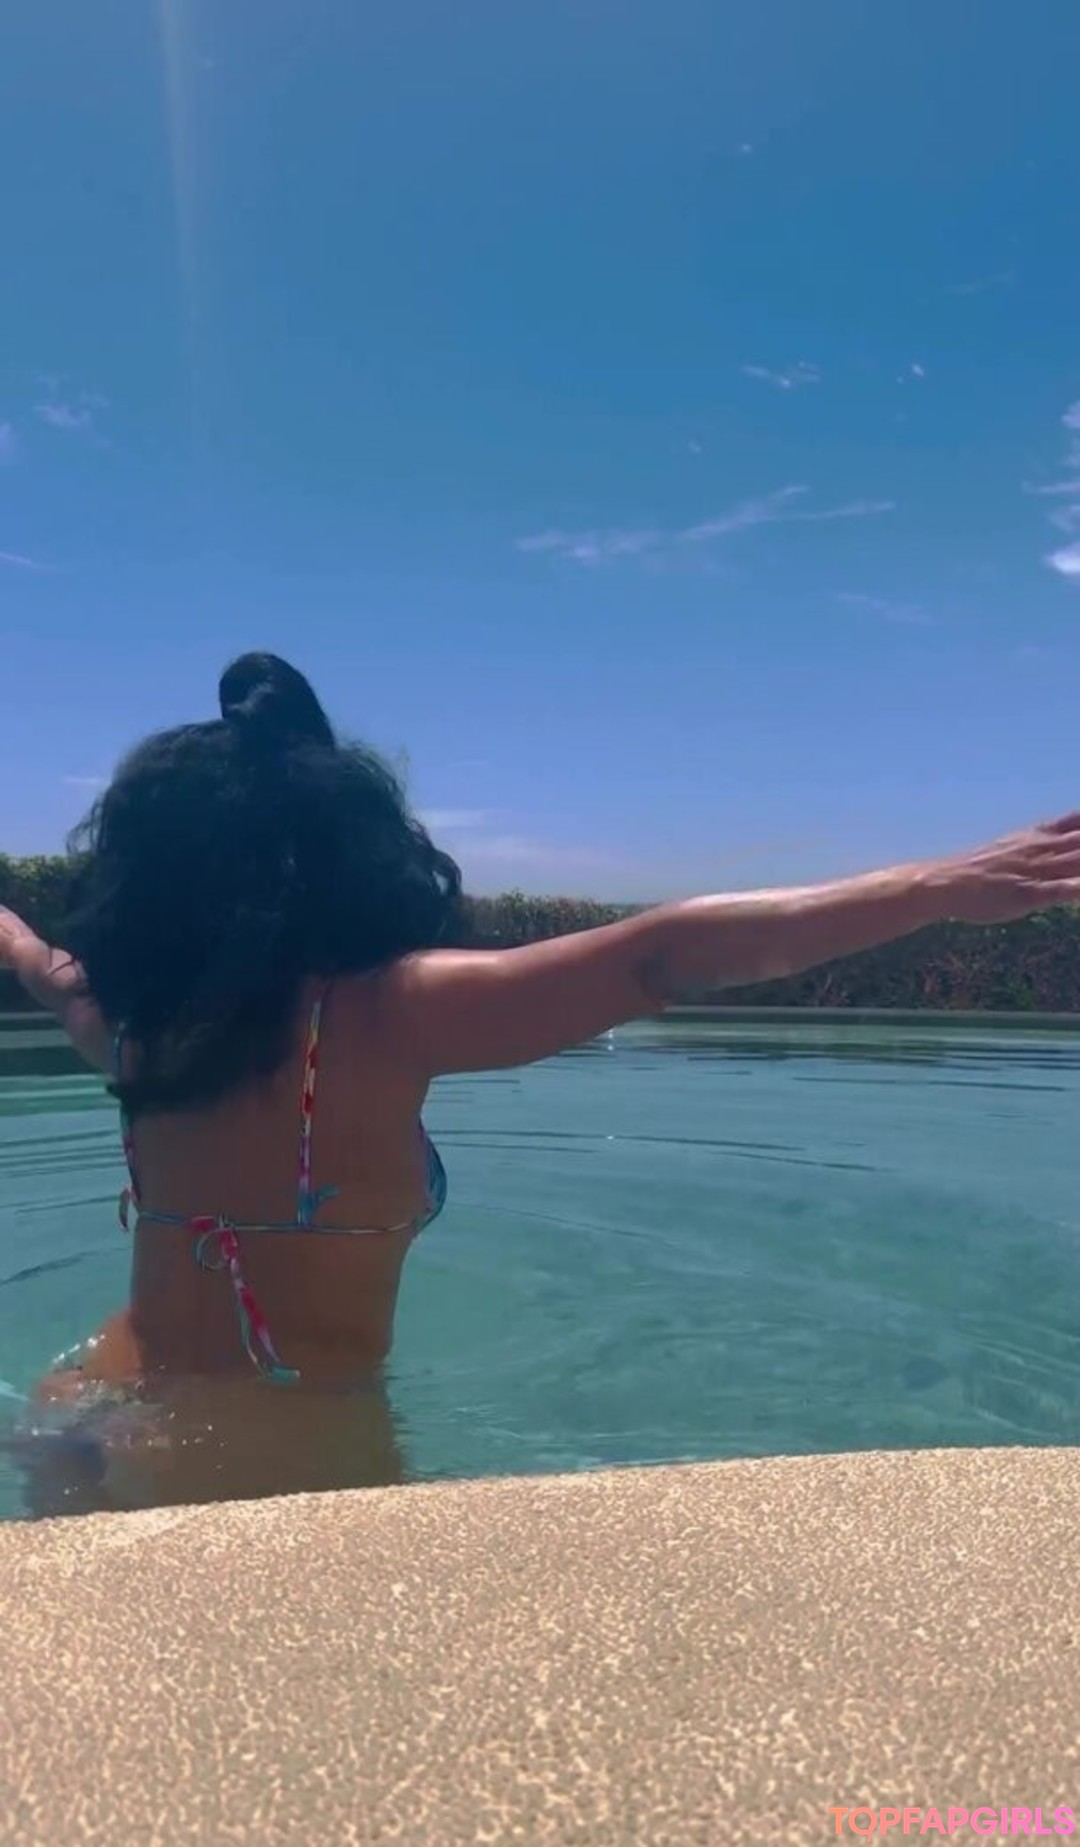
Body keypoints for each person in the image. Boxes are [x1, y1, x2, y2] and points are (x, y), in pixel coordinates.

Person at [3, 649, 1080, 1511]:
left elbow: (44, 968)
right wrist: (933, 886)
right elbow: (661, 955)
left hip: (82, 1399)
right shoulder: (382, 1014)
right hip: (274, 1442)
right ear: (351, 853)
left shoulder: (138, 1030)